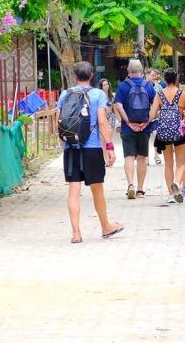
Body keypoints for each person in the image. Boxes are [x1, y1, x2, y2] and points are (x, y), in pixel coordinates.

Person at [57, 60, 124, 243]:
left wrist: (66, 143)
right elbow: (102, 122)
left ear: (75, 76)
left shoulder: (65, 94)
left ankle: (76, 233)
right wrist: (109, 146)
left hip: (71, 148)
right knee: (97, 189)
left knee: (73, 189)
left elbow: (59, 121)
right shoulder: (98, 95)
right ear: (91, 76)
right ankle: (106, 226)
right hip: (92, 148)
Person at [114, 59, 157, 199]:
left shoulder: (122, 86)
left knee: (128, 157)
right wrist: (147, 122)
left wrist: (127, 121)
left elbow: (118, 105)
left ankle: (130, 185)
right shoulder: (148, 85)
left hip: (128, 128)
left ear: (128, 71)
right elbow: (156, 106)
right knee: (142, 158)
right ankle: (140, 189)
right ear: (142, 70)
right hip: (144, 128)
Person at [149, 68, 185, 204]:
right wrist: (183, 113)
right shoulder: (183, 94)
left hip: (164, 133)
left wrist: (163, 113)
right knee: (181, 163)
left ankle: (170, 194)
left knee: (168, 164)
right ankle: (178, 184)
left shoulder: (159, 94)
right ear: (176, 79)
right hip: (180, 132)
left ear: (165, 79)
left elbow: (151, 116)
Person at [146, 69, 166, 165]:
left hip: (156, 116)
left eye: (155, 75)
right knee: (145, 137)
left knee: (156, 134)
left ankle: (156, 155)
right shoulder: (142, 87)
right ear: (147, 76)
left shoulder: (159, 88)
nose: (154, 77)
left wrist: (160, 111)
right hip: (145, 116)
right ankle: (146, 158)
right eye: (152, 75)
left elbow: (163, 102)